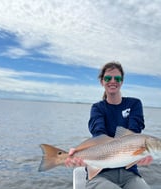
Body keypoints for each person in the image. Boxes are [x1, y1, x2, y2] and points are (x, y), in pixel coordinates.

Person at [65, 61, 153, 189]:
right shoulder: (97, 108)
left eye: (117, 78)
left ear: (122, 81)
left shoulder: (134, 104)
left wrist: (143, 152)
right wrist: (79, 151)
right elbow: (99, 134)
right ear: (102, 81)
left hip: (129, 173)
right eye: (108, 78)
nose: (113, 81)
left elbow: (134, 134)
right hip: (101, 172)